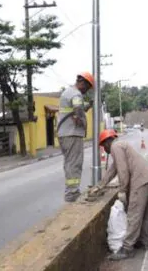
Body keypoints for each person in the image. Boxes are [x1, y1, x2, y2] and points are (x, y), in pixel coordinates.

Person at [89, 129, 148, 260]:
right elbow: (113, 170)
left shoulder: (115, 147)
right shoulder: (121, 145)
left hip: (140, 179)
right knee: (146, 213)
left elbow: (123, 171)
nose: (104, 150)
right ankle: (142, 241)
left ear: (107, 142)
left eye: (103, 146)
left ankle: (127, 248)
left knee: (134, 213)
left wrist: (122, 191)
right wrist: (100, 185)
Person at [58, 72, 94, 202]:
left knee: (69, 163)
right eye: (87, 88)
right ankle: (72, 193)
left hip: (65, 134)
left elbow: (76, 107)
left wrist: (88, 105)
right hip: (72, 134)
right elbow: (77, 106)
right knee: (74, 164)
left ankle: (70, 191)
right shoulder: (76, 94)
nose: (86, 91)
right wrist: (80, 119)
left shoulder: (68, 92)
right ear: (82, 83)